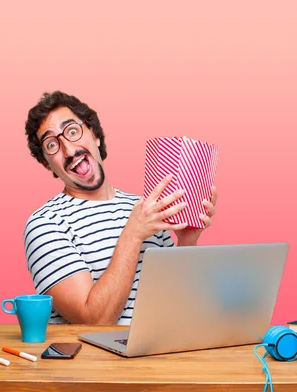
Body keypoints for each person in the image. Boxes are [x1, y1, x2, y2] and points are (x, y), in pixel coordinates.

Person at [23, 91, 217, 325]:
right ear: (47, 164)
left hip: (158, 354)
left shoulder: (145, 210)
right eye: (52, 145)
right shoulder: (45, 224)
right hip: (98, 361)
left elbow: (177, 305)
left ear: (94, 134)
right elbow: (94, 321)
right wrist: (133, 235)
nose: (69, 149)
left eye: (73, 131)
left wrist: (187, 242)